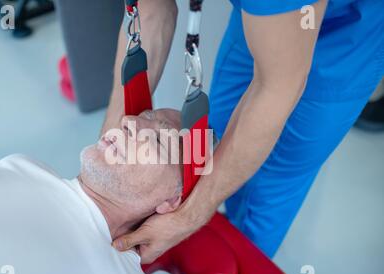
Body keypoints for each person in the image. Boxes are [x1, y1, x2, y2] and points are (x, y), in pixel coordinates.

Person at [105, 0, 384, 260]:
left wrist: (190, 216)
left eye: (157, 135)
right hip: (263, 23)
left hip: (343, 43)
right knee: (221, 139)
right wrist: (112, 134)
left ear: (172, 200)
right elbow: (152, 14)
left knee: (268, 187)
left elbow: (278, 87)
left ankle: (245, 254)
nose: (135, 125)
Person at [0, 109, 181, 274]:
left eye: (158, 139)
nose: (129, 121)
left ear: (170, 200)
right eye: (142, 115)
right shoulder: (29, 166)